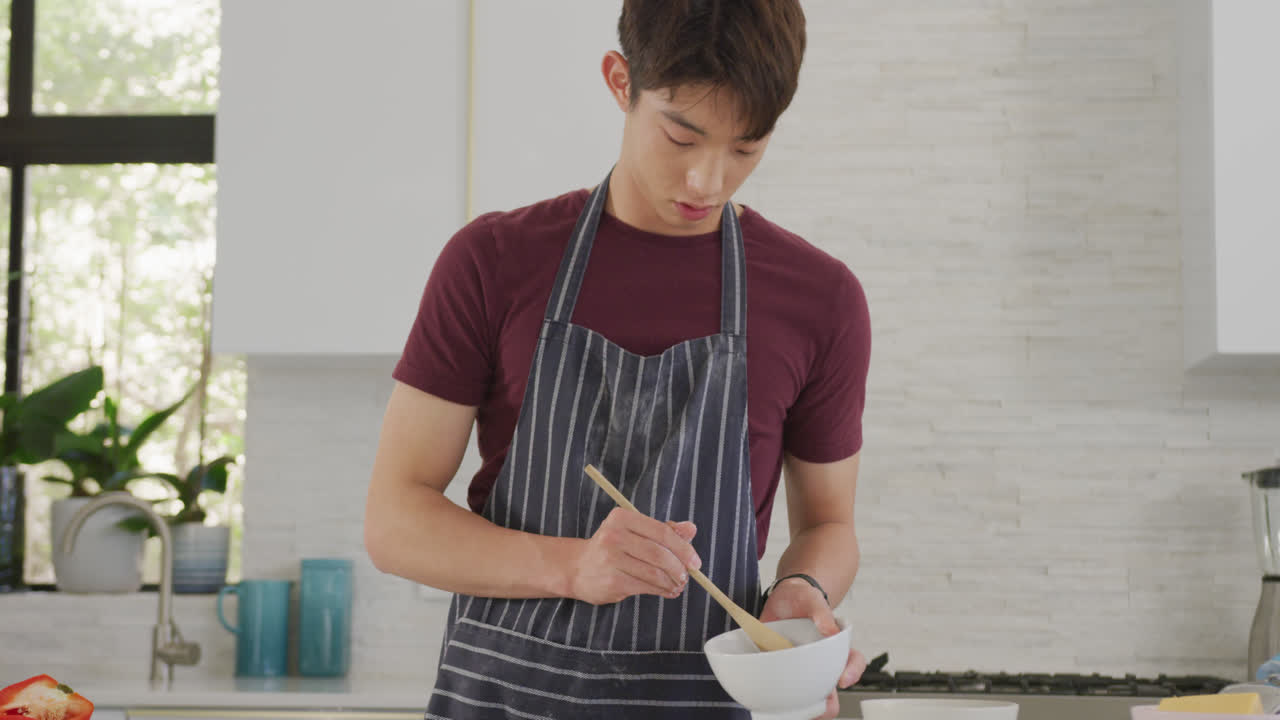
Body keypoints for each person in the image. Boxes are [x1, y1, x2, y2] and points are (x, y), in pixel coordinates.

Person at [364, 1, 871, 717]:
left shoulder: (821, 299)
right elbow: (394, 523)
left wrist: (803, 594)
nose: (708, 181)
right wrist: (574, 566)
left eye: (745, 148)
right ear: (619, 81)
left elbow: (828, 524)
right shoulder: (493, 262)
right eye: (681, 136)